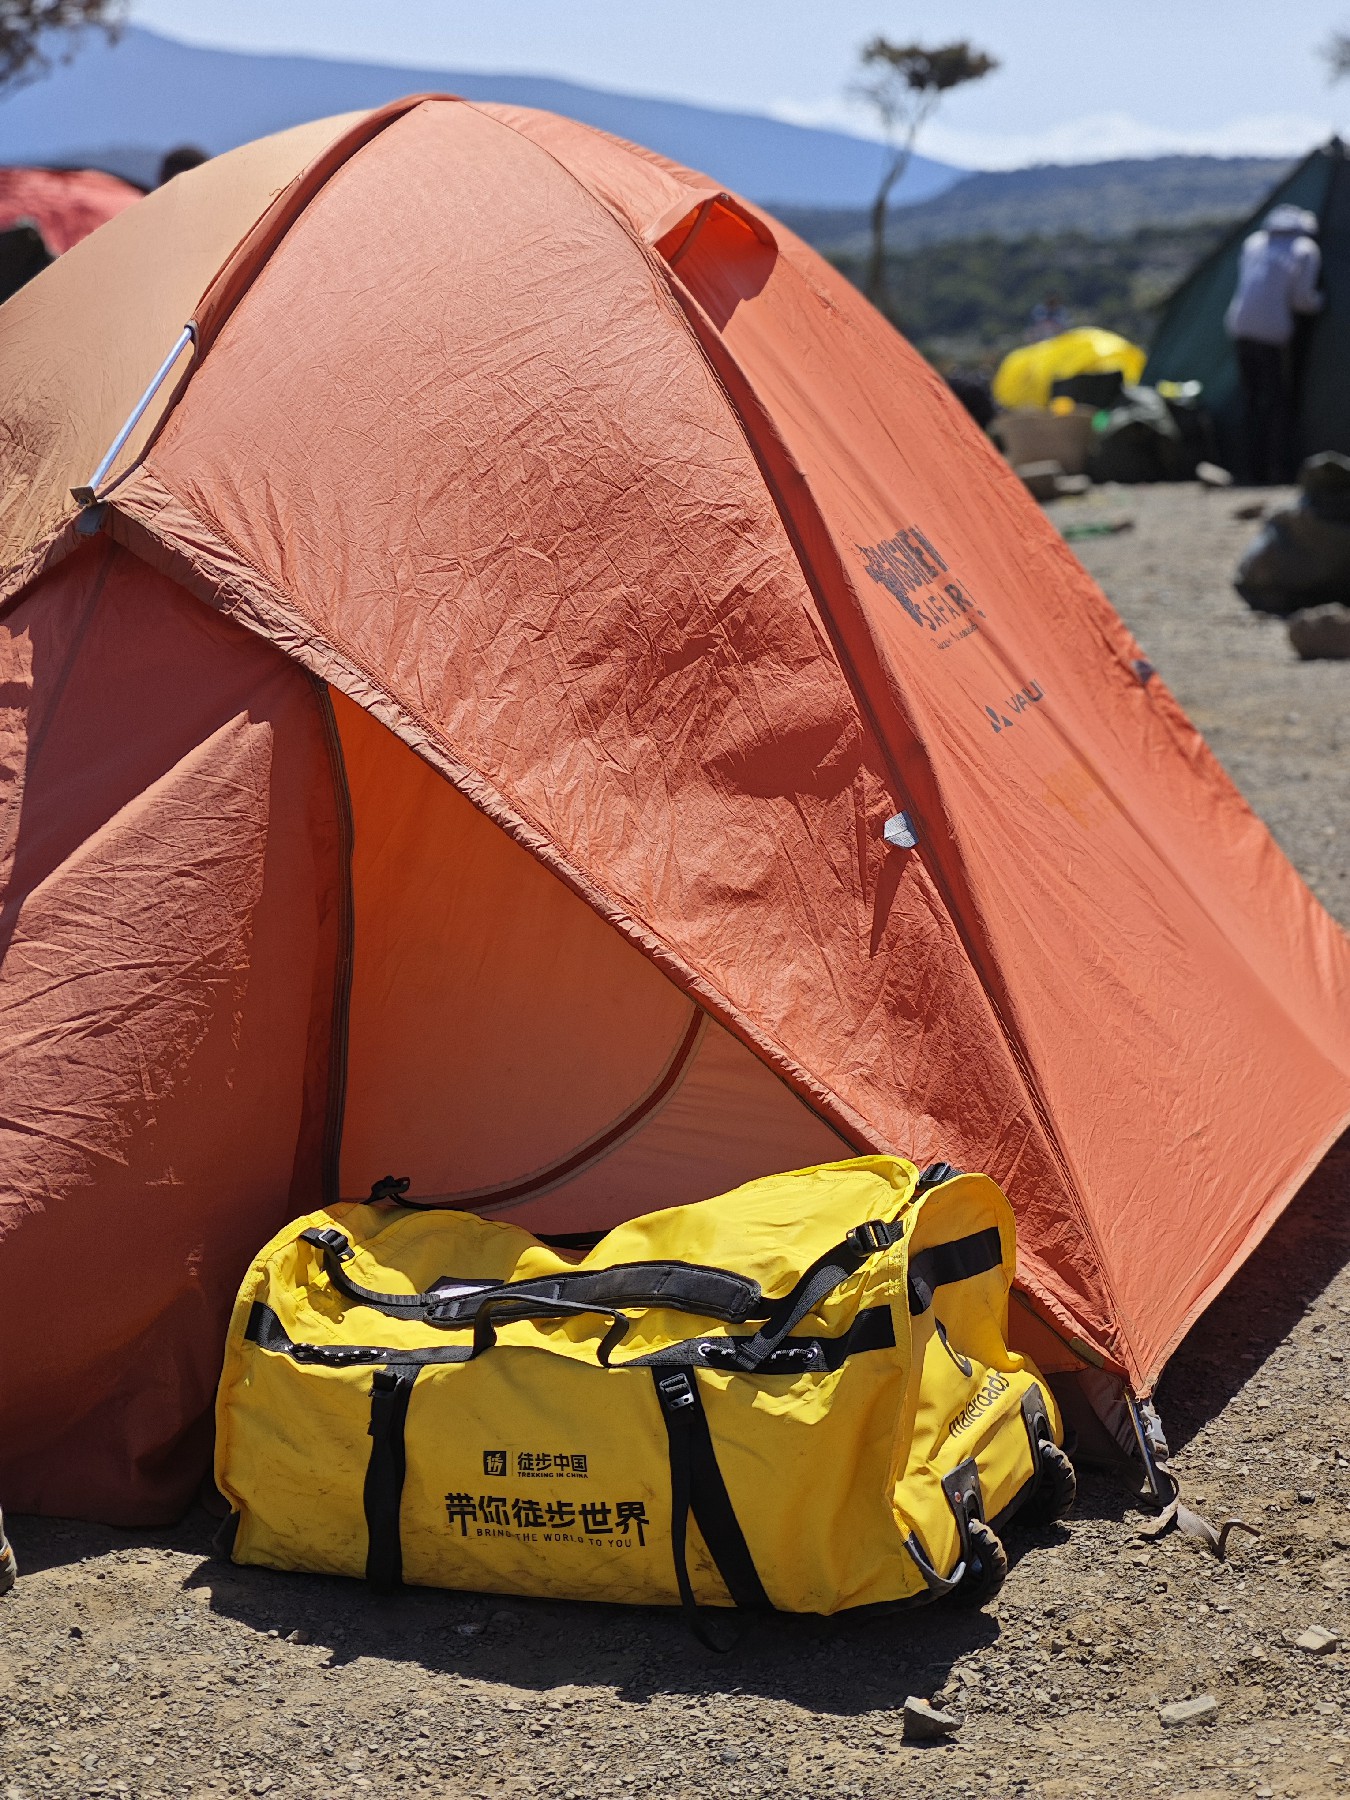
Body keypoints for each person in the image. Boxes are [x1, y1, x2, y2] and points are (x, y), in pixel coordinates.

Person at [1225, 204, 1323, 484]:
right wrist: (1322, 301)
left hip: (1239, 327)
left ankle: (1248, 470)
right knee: (1277, 403)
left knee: (1252, 401)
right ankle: (1277, 470)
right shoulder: (1305, 249)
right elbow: (1303, 300)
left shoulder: (1254, 243)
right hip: (1273, 334)